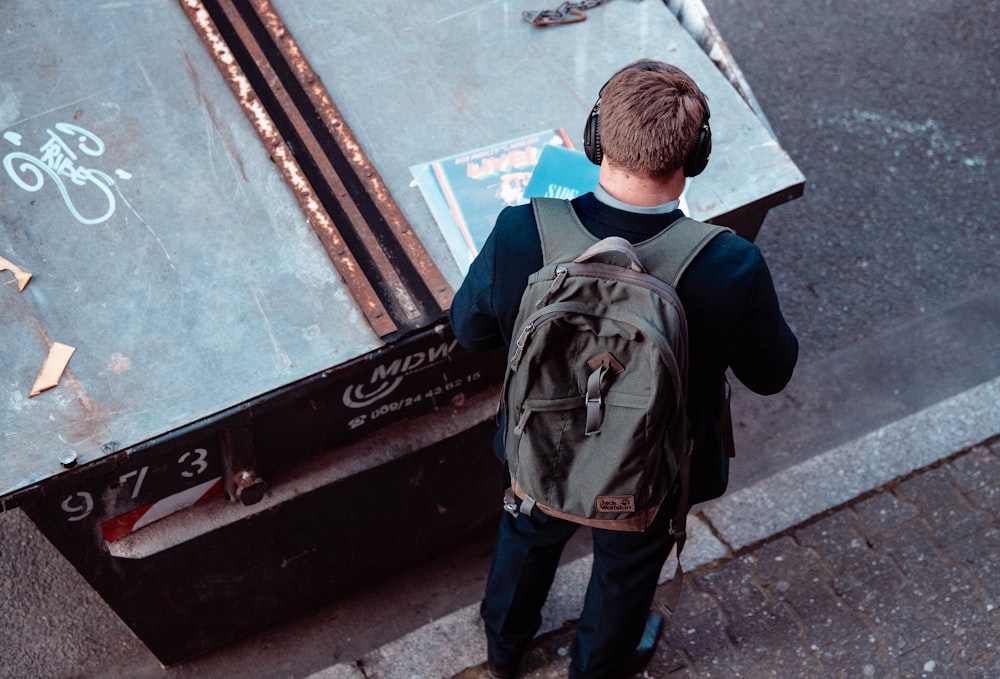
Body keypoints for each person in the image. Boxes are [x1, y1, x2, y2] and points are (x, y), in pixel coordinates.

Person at [449, 59, 798, 679]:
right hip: (654, 468)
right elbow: (772, 373)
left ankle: (504, 652)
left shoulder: (521, 229)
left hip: (539, 444)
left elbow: (470, 331)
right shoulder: (730, 263)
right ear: (697, 155)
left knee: (526, 538)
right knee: (626, 571)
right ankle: (596, 667)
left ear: (594, 138)